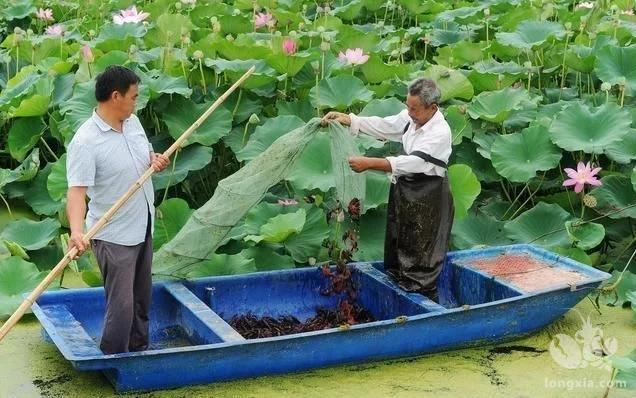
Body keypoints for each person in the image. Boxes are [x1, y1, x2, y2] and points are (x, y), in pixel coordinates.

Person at [66, 65, 170, 354]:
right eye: (134, 96)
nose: (136, 101)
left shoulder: (133, 122)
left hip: (143, 224)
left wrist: (154, 159)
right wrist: (77, 232)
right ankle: (112, 361)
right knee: (122, 309)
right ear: (116, 96)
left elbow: (144, 157)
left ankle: (138, 356)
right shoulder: (86, 142)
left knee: (141, 302)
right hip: (113, 235)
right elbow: (77, 192)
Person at [321, 78, 454, 301]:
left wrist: (370, 163)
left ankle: (424, 303)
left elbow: (414, 163)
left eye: (414, 109)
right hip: (404, 190)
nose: (409, 112)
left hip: (429, 195)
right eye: (407, 106)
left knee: (422, 257)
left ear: (432, 108)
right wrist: (349, 120)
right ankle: (397, 292)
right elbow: (387, 125)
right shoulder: (412, 117)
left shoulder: (440, 132)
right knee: (398, 243)